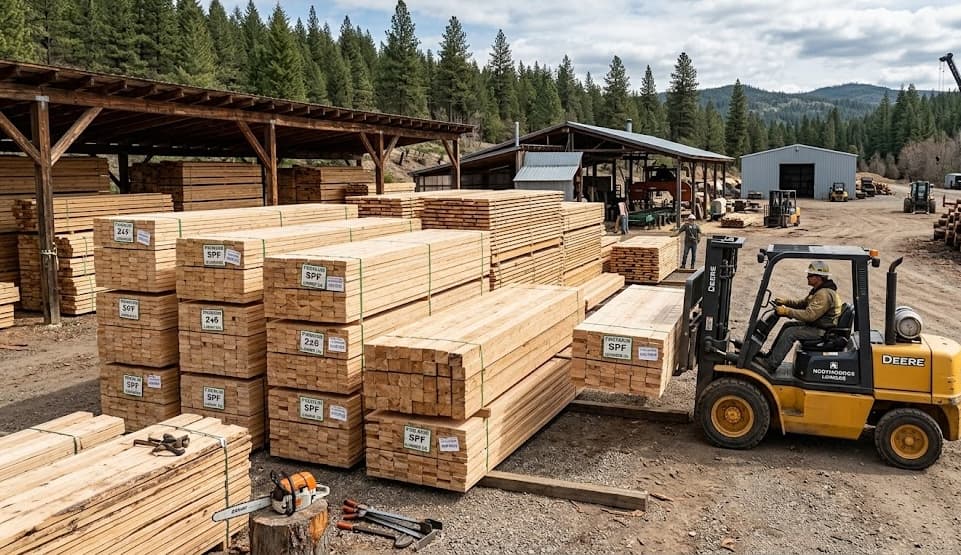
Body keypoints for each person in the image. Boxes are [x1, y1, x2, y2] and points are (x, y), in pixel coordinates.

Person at [760, 260, 843, 371]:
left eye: (810, 275)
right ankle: (771, 356)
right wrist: (785, 302)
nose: (807, 277)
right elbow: (802, 304)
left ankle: (771, 364)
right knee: (788, 325)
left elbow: (809, 315)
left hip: (821, 330)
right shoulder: (818, 290)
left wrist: (787, 311)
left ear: (819, 277)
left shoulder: (823, 294)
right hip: (817, 325)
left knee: (790, 333)